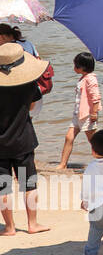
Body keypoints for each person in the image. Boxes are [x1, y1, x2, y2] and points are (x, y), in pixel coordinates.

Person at [0, 42, 51, 235]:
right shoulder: (28, 84)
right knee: (29, 183)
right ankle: (32, 224)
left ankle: (10, 227)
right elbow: (32, 107)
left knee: (3, 187)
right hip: (23, 139)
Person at [58, 51, 100, 169]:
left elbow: (95, 96)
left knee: (93, 141)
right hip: (78, 114)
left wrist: (94, 113)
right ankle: (62, 164)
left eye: (75, 65)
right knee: (69, 137)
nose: (74, 68)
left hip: (87, 114)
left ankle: (102, 162)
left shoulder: (90, 79)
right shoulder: (83, 78)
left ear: (81, 67)